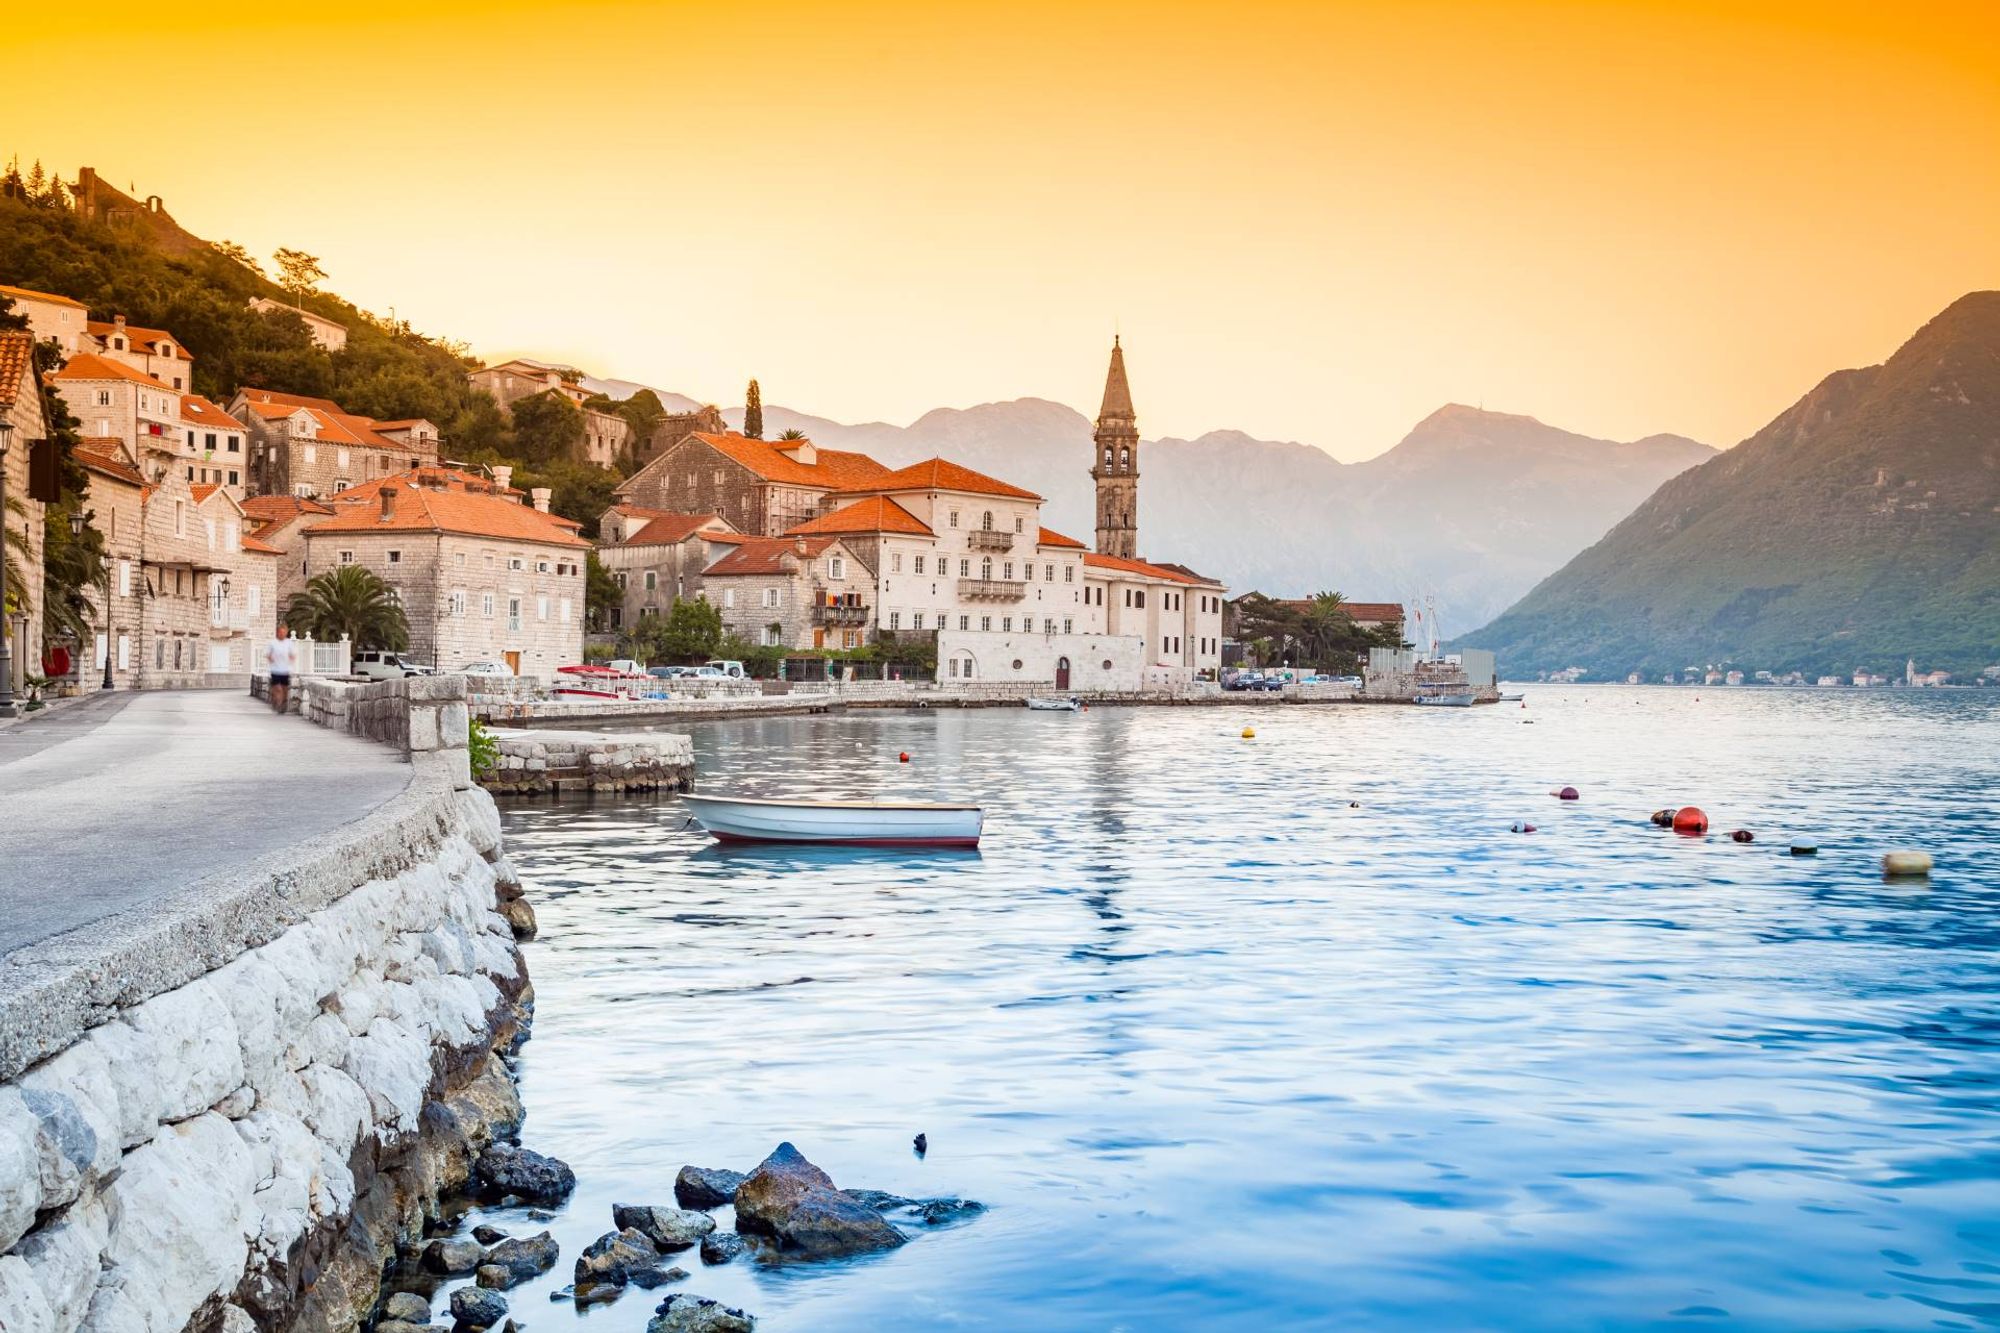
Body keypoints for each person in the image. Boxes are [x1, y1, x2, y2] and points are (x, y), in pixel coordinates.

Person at [266, 624, 298, 715]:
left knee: (284, 689)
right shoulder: (272, 643)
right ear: (277, 632)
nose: (281, 634)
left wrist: (291, 660)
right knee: (277, 688)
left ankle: (283, 702)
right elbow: (268, 654)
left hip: (285, 670)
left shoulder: (289, 643)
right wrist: (271, 659)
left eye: (283, 632)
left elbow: (293, 654)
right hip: (275, 669)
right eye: (280, 632)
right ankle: (277, 701)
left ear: (286, 633)